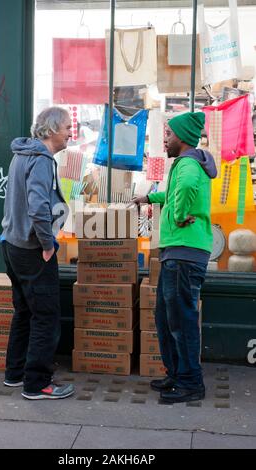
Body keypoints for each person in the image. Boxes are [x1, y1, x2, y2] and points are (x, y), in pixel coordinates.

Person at [133, 112, 217, 404]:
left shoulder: (188, 164)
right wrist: (149, 198)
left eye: (168, 134)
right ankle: (177, 373)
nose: (164, 139)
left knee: (180, 320)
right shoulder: (187, 163)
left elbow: (186, 186)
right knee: (167, 318)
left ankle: (191, 383)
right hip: (178, 251)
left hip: (185, 252)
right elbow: (173, 192)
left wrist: (179, 216)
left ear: (181, 137)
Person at [1, 106, 75, 400]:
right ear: (53, 129)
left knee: (24, 312)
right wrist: (47, 244)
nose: (71, 132)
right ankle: (37, 384)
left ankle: (15, 374)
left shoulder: (22, 154)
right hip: (32, 249)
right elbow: (37, 207)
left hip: (12, 244)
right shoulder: (42, 160)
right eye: (68, 127)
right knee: (45, 316)